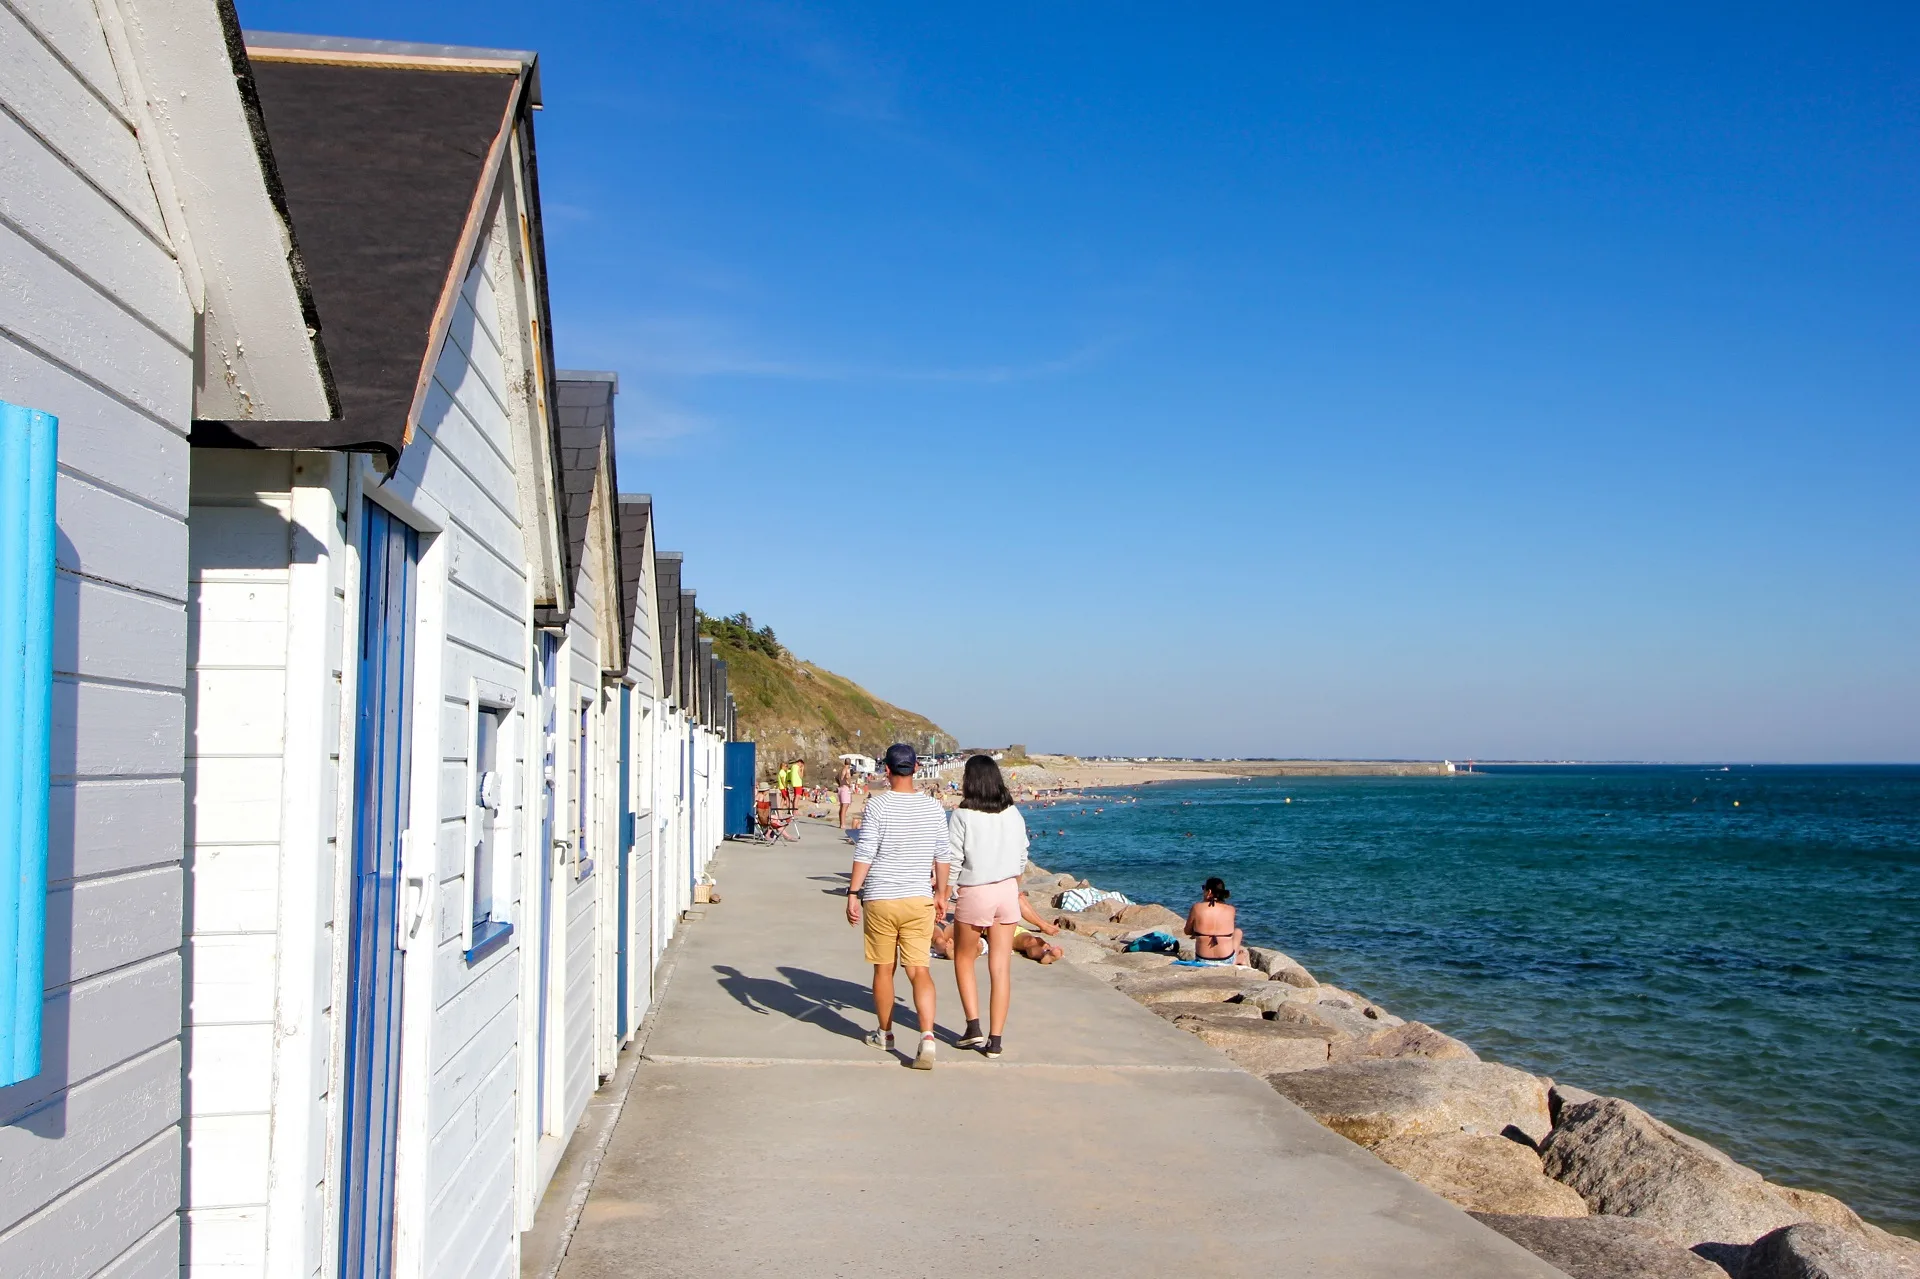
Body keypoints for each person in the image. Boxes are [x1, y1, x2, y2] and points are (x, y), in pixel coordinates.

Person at [847, 743, 952, 1069]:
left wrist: (853, 892)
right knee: (919, 969)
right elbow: (943, 856)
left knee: (884, 968)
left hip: (881, 897)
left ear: (887, 771)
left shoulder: (878, 806)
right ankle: (927, 1037)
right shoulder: (934, 808)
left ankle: (885, 1033)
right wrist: (942, 895)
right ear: (917, 769)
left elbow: (865, 852)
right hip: (919, 898)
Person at [945, 754, 1033, 1059]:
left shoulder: (962, 816)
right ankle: (995, 1040)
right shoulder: (1014, 814)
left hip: (975, 890)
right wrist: (1014, 880)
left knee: (964, 957)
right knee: (1000, 967)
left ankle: (973, 1027)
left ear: (970, 781)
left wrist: (947, 893)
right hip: (1007, 890)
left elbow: (953, 859)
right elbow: (1023, 854)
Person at [1185, 877, 1245, 965]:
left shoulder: (1196, 907)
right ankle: (1238, 960)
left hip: (1203, 959)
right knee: (1238, 932)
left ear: (1209, 892)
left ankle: (1238, 959)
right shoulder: (1231, 909)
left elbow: (1187, 931)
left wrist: (1197, 931)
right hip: (1226, 960)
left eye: (1203, 888)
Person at [837, 761, 855, 833]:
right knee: (845, 806)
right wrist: (849, 783)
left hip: (840, 788)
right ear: (849, 763)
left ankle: (841, 823)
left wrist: (840, 783)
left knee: (841, 806)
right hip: (845, 788)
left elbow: (836, 777)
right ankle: (843, 824)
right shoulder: (847, 770)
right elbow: (847, 777)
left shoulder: (840, 770)